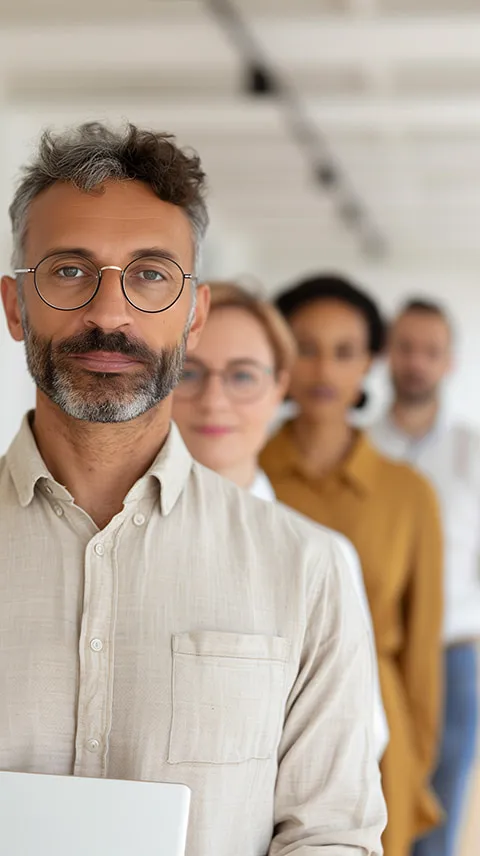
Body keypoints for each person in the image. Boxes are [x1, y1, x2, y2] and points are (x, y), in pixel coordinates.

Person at [0, 124, 386, 856]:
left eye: (150, 275)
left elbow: (332, 834)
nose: (108, 313)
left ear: (195, 315)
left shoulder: (305, 568)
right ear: (16, 306)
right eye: (69, 270)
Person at [259, 274, 444, 856]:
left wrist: (414, 761)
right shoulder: (241, 478)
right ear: (279, 355)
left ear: (370, 363)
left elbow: (421, 650)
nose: (323, 370)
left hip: (377, 725)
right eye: (305, 348)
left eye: (344, 352)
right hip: (257, 719)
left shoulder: (408, 494)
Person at [172, 280, 389, 759]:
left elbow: (354, 743)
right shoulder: (112, 532)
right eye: (188, 373)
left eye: (243, 376)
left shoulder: (320, 557)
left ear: (280, 387)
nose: (214, 400)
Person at [370, 298, 480, 856]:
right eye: (406, 348)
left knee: (441, 805)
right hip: (375, 656)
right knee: (373, 801)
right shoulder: (359, 446)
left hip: (451, 656)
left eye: (430, 351)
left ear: (449, 361)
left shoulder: (472, 452)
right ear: (388, 354)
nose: (416, 362)